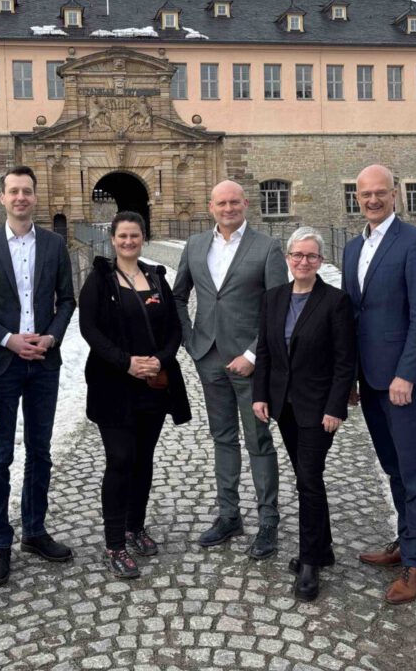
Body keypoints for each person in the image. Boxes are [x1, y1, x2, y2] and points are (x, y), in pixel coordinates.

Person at [0, 166, 77, 586]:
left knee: (40, 450)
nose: (20, 197)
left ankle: (34, 530)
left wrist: (51, 337)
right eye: (13, 191)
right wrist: (9, 339)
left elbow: (67, 300)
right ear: (2, 198)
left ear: (35, 196)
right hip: (3, 364)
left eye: (27, 191)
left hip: (44, 363)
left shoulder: (54, 244)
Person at [173, 180, 289, 559]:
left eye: (234, 202)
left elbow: (278, 307)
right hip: (209, 357)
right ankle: (229, 515)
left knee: (258, 440)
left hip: (250, 364)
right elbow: (178, 296)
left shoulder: (267, 247)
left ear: (245, 203)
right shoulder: (195, 246)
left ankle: (268, 521)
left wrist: (254, 354)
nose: (228, 209)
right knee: (222, 438)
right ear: (211, 207)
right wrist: (190, 340)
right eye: (221, 203)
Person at [341, 164, 416, 605]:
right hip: (370, 378)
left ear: (395, 194)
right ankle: (405, 540)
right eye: (365, 194)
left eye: (380, 192)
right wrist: (350, 377)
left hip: (403, 381)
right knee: (393, 467)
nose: (373, 199)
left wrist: (406, 373)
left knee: (415, 469)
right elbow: (353, 316)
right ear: (356, 197)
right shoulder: (352, 248)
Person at [79, 211, 192, 578]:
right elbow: (89, 329)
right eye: (122, 236)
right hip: (113, 385)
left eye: (135, 235)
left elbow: (174, 329)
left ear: (143, 237)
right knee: (120, 459)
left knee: (143, 459)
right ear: (113, 239)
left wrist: (160, 360)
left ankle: (135, 526)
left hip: (152, 385)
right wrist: (125, 363)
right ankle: (115, 544)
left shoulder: (157, 277)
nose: (128, 241)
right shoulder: (100, 279)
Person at [252, 227, 356, 601]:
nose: (303, 261)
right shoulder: (273, 298)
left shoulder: (335, 301)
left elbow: (345, 360)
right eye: (297, 255)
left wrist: (335, 407)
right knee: (305, 476)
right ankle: (322, 548)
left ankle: (310, 561)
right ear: (288, 258)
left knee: (308, 479)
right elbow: (265, 351)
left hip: (318, 408)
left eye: (311, 256)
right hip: (284, 405)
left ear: (321, 261)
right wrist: (260, 396)